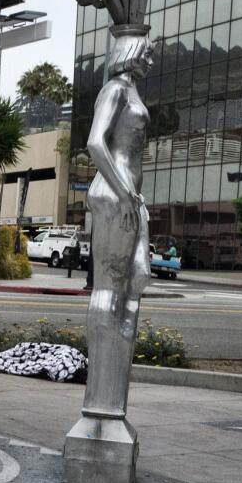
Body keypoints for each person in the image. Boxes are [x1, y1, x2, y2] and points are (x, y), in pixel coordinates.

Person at [79, 26, 153, 422]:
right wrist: (125, 193)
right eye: (147, 51)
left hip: (125, 196)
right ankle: (101, 396)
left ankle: (109, 393)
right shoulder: (115, 90)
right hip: (115, 195)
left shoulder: (129, 91)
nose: (152, 59)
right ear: (132, 51)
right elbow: (95, 142)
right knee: (109, 288)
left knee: (130, 285)